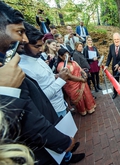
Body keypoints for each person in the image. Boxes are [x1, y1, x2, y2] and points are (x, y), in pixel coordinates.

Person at [0, 2, 84, 164]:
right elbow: (28, 111)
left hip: (54, 109)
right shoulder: (17, 67)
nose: (23, 40)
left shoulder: (36, 59)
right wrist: (61, 80)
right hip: (41, 124)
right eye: (19, 32)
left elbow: (41, 85)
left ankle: (67, 156)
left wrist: (56, 76)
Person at [57, 48, 96, 116]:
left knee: (86, 95)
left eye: (68, 54)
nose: (68, 56)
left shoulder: (73, 62)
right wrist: (81, 79)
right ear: (60, 56)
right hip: (72, 86)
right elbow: (69, 77)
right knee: (80, 99)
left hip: (82, 81)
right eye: (65, 55)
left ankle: (90, 108)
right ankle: (83, 111)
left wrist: (84, 74)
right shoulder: (61, 66)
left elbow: (80, 69)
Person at [104, 33, 120, 99]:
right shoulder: (111, 46)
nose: (116, 41)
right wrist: (106, 65)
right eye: (115, 39)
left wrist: (119, 64)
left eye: (117, 39)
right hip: (114, 67)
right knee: (115, 81)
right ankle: (115, 93)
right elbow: (109, 57)